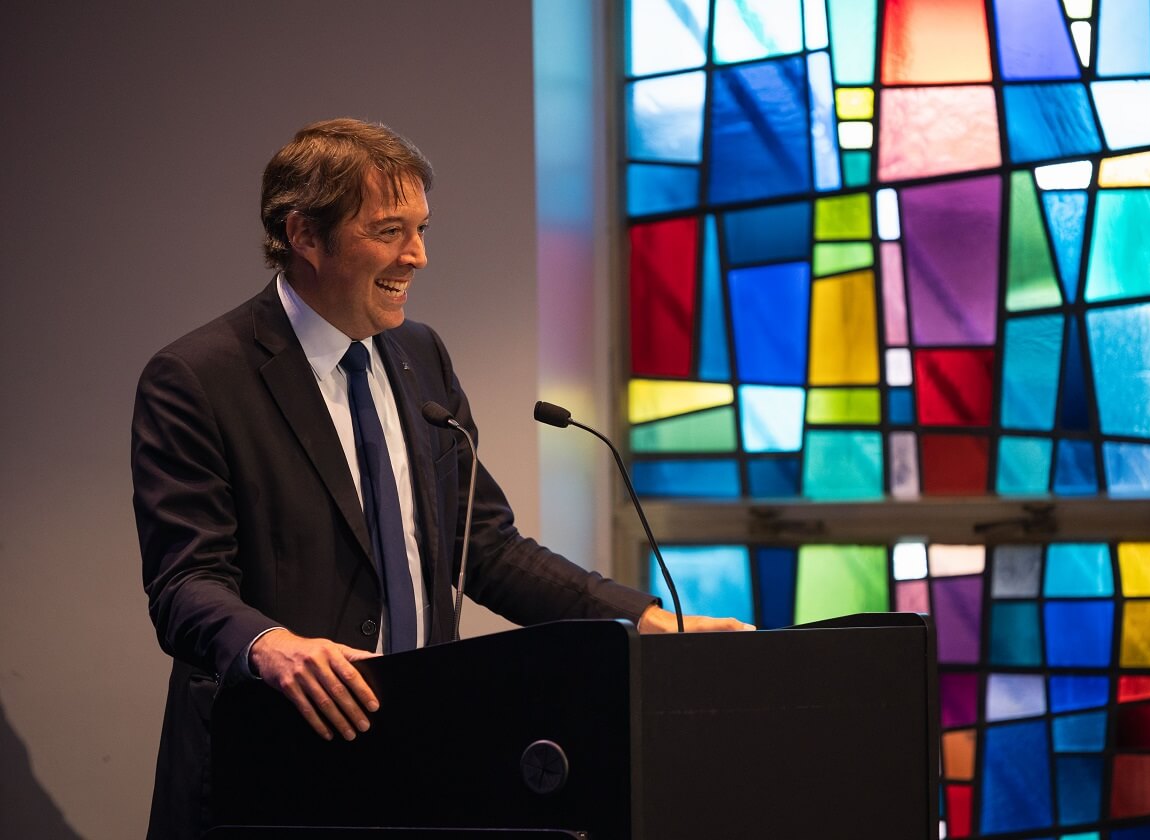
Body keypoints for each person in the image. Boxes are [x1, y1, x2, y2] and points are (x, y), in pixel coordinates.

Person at [132, 118, 749, 840]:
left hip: (419, 761)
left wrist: (640, 620)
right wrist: (272, 645)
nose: (418, 257)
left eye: (422, 229)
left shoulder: (420, 355)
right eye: (390, 230)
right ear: (304, 234)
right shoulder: (199, 379)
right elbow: (184, 584)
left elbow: (486, 546)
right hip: (271, 769)